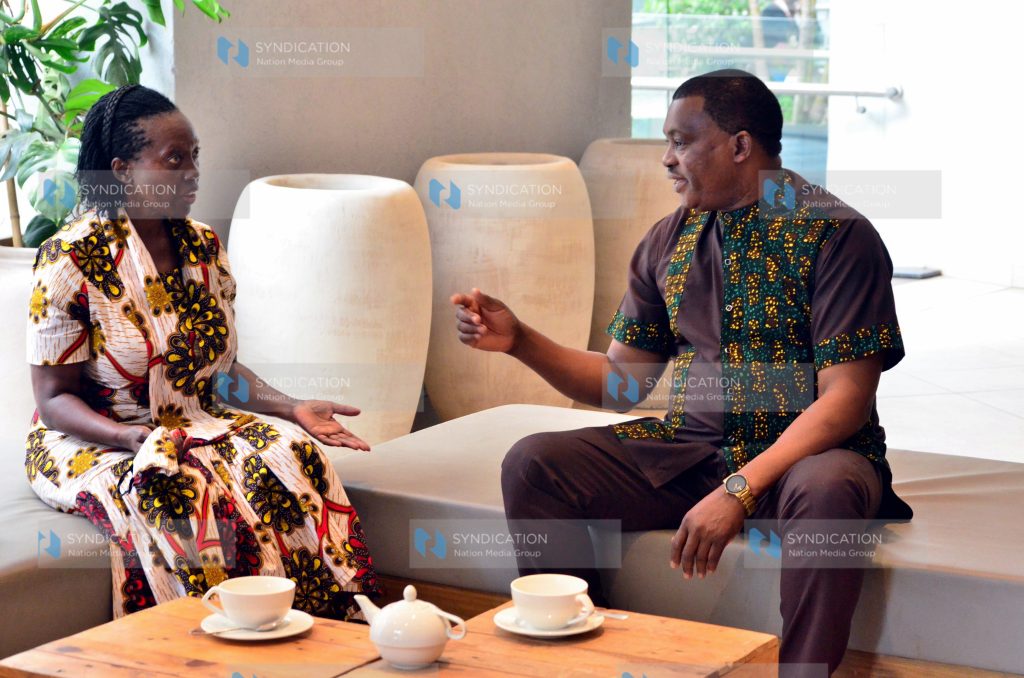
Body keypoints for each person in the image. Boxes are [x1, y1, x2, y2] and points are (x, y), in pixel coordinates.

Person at [450, 69, 912, 677]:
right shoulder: (670, 240)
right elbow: (623, 383)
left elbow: (846, 400)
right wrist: (522, 342)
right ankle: (585, 659)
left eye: (681, 141)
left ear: (741, 146)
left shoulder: (836, 235)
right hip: (693, 450)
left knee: (827, 491)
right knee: (536, 463)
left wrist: (739, 489)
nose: (666, 159)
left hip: (813, 457)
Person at [25, 85, 380, 620]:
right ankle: (198, 646)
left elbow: (220, 370)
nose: (192, 171)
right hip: (91, 438)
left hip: (192, 421)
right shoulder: (70, 258)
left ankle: (317, 629)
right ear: (121, 170)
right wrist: (129, 437)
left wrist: (291, 408)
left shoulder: (203, 246)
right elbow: (54, 402)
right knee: (179, 490)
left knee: (290, 454)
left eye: (195, 156)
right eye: (174, 159)